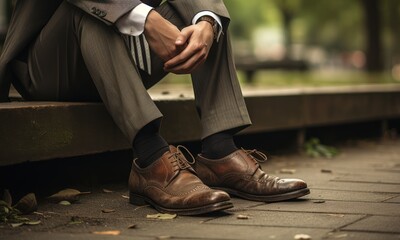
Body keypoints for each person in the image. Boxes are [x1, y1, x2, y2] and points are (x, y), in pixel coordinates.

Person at [0, 0, 309, 215]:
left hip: (119, 52)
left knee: (202, 17)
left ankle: (220, 152)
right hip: (49, 65)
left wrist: (206, 22)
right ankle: (150, 158)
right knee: (93, 10)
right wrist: (145, 18)